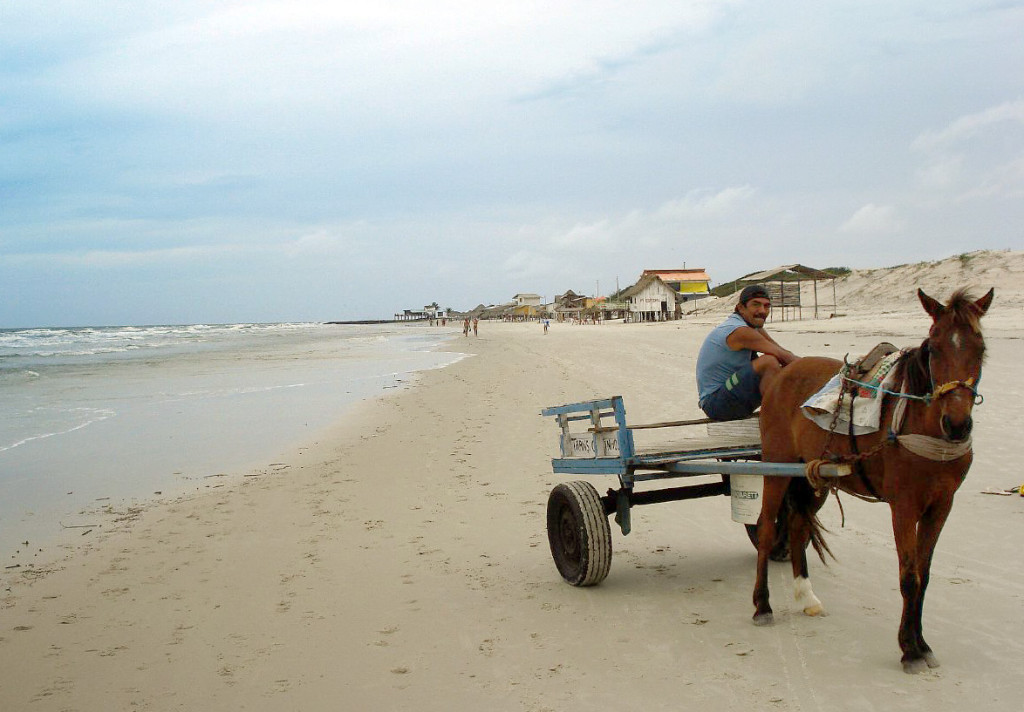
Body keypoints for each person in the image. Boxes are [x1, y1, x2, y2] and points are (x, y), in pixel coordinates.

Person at [695, 284, 799, 421]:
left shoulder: (751, 327)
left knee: (780, 367)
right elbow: (783, 356)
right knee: (768, 362)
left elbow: (783, 352)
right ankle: (777, 418)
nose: (762, 311)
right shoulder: (740, 331)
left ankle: (788, 409)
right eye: (756, 305)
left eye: (766, 306)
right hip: (715, 403)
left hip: (731, 393)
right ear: (741, 308)